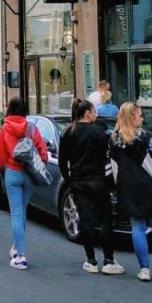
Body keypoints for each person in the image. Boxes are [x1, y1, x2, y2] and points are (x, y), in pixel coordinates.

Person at [107, 103, 152, 283]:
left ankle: (144, 269)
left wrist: (113, 188)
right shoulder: (146, 138)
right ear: (132, 118)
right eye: (140, 116)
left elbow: (110, 168)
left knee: (137, 228)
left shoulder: (114, 140)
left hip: (128, 189)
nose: (142, 118)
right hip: (150, 187)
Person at [58, 99, 122, 275]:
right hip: (99, 180)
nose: (96, 115)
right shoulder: (99, 133)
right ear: (87, 112)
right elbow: (107, 158)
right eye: (94, 111)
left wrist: (69, 180)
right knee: (105, 219)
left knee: (85, 219)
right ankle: (108, 259)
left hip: (79, 181)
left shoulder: (68, 132)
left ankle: (91, 260)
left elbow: (63, 161)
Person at [0, 96, 47, 270]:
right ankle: (16, 247)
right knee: (23, 212)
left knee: (16, 214)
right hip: (29, 174)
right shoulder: (31, 127)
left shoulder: (5, 128)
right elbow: (43, 152)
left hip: (12, 173)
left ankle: (20, 256)